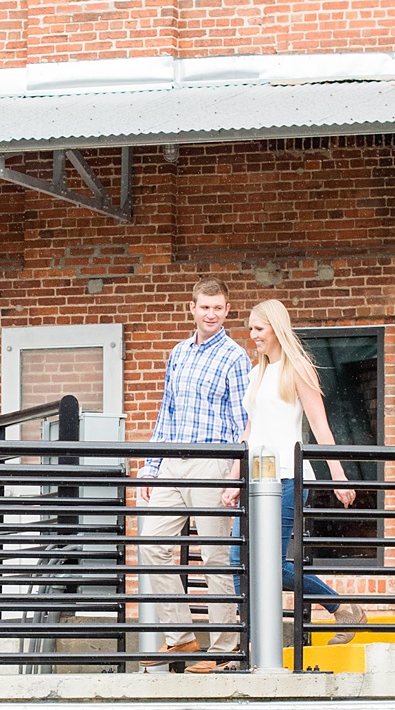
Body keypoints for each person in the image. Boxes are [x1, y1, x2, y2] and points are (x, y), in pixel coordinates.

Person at [137, 277, 251, 665]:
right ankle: (181, 639)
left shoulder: (236, 357)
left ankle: (224, 649)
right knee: (152, 544)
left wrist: (237, 474)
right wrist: (152, 467)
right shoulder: (178, 352)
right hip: (172, 460)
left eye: (218, 307)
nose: (211, 314)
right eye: (205, 306)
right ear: (193, 308)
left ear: (227, 310)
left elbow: (243, 423)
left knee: (215, 556)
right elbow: (166, 413)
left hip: (212, 463)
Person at [242, 299, 366, 635]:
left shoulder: (297, 368)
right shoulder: (256, 373)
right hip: (253, 479)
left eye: (259, 328)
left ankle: (339, 607)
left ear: (276, 329)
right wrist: (232, 478)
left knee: (271, 565)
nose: (253, 335)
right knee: (240, 562)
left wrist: (338, 476)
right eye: (251, 328)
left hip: (286, 477)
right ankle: (245, 641)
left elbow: (321, 426)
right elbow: (251, 430)